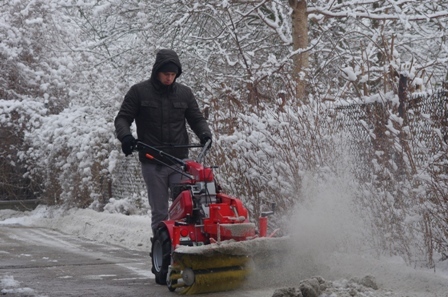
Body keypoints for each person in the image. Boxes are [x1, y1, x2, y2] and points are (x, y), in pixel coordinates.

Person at [114, 49, 212, 235]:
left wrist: (205, 134)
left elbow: (196, 119)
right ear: (157, 71)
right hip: (153, 161)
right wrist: (126, 137)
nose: (169, 78)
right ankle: (161, 253)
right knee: (160, 212)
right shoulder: (139, 92)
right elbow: (122, 118)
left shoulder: (184, 94)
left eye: (173, 75)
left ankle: (183, 251)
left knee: (185, 210)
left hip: (179, 161)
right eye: (166, 74)